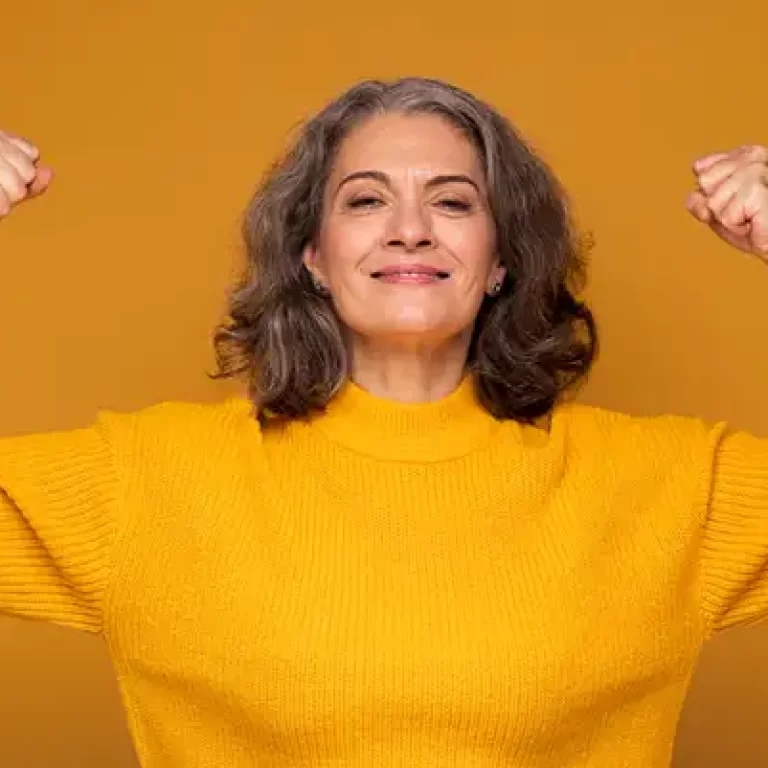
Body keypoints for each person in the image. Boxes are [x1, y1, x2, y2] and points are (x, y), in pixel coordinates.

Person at [0, 77, 767, 768]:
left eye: (454, 201)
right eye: (366, 200)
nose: (410, 229)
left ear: (500, 258)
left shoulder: (669, 485)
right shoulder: (147, 480)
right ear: (312, 255)